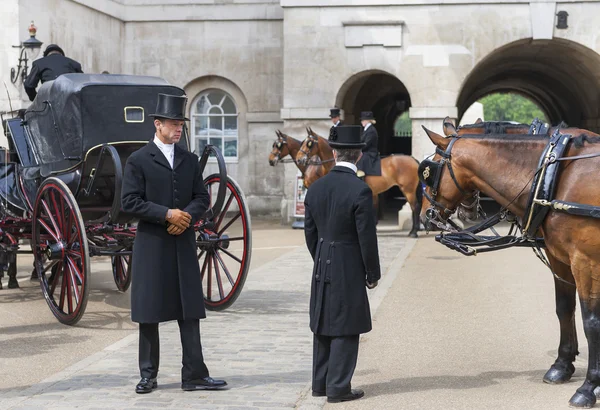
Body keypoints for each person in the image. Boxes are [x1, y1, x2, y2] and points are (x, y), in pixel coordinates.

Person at [121, 93, 227, 394]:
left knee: (189, 310)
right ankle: (148, 375)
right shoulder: (139, 160)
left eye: (181, 124)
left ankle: (194, 374)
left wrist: (187, 218)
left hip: (181, 243)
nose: (178, 129)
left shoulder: (188, 159)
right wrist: (166, 214)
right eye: (173, 124)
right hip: (152, 243)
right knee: (149, 311)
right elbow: (129, 202)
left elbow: (201, 198)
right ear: (158, 125)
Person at [303, 124, 381, 403]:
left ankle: (320, 384)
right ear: (358, 155)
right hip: (348, 262)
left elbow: (309, 233)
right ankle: (338, 387)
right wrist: (372, 273)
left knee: (322, 321)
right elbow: (367, 239)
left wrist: (322, 257)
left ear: (334, 153)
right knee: (347, 324)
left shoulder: (315, 188)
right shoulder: (360, 191)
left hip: (322, 260)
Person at [356, 111, 381, 179]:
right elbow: (361, 141)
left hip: (370, 153)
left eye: (363, 120)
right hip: (366, 151)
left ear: (367, 120)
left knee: (361, 160)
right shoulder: (366, 129)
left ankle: (361, 177)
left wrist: (357, 149)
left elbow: (366, 144)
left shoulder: (371, 130)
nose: (361, 121)